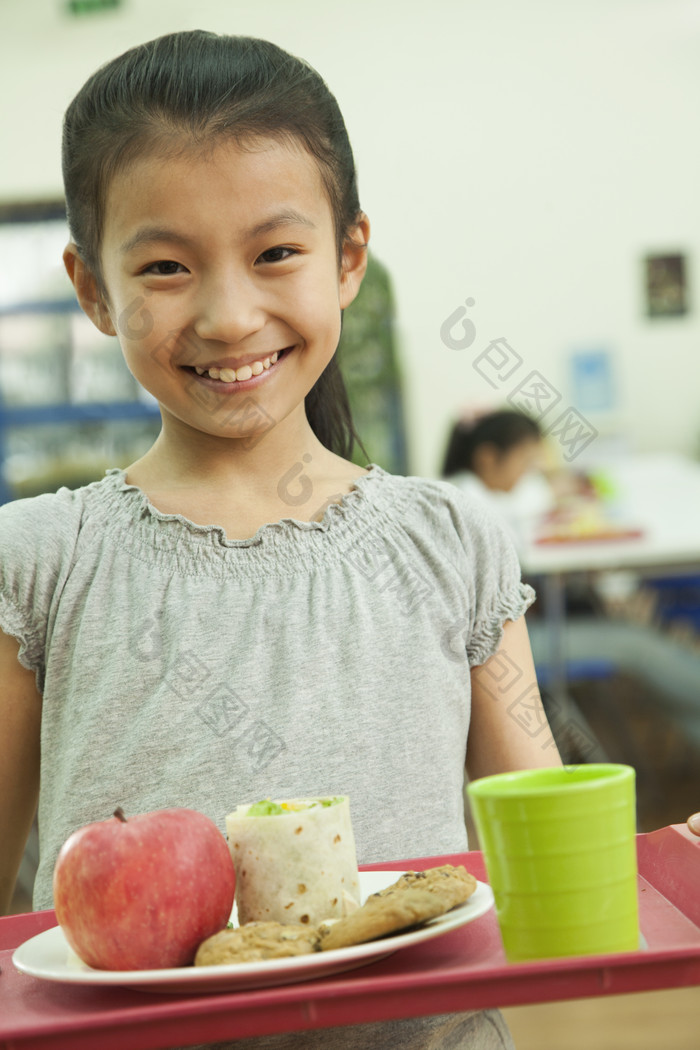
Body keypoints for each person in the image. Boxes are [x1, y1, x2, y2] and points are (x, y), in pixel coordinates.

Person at [0, 31, 561, 1050]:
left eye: (276, 253)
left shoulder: (450, 542)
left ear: (348, 256)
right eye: (166, 266)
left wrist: (661, 860)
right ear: (92, 290)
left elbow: (549, 853)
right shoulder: (39, 561)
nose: (227, 314)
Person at [442, 409, 555, 549]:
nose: (529, 472)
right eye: (526, 461)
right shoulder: (459, 503)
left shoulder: (509, 493)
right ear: (487, 459)